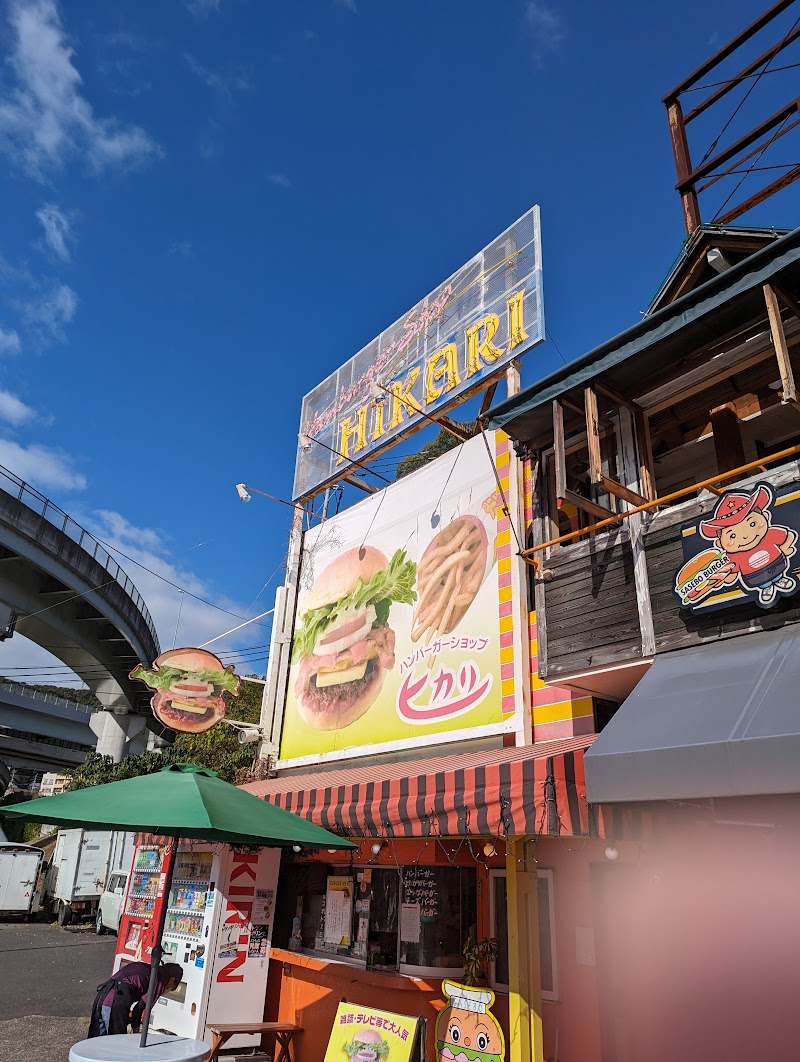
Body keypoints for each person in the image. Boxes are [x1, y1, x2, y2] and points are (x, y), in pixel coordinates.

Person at [88, 961, 184, 1037]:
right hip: (115, 1002)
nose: (165, 991)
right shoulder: (159, 980)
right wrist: (136, 1033)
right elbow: (138, 1010)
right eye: (170, 988)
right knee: (114, 1044)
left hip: (102, 995)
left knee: (97, 1042)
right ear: (172, 981)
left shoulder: (150, 970)